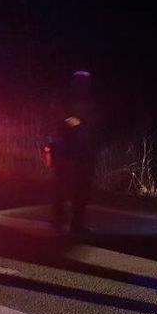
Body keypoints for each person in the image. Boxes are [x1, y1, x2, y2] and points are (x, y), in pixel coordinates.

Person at [48, 97, 100, 234]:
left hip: (75, 159)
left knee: (75, 192)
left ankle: (65, 222)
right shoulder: (70, 118)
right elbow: (67, 133)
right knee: (73, 192)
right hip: (72, 159)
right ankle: (65, 222)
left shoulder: (80, 118)